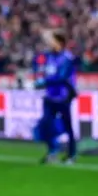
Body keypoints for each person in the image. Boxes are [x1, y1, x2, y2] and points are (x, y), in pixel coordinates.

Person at [34, 30, 78, 165]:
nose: (49, 43)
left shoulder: (67, 58)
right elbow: (43, 70)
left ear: (59, 42)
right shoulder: (48, 56)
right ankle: (52, 151)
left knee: (67, 126)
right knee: (46, 124)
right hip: (50, 96)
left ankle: (71, 155)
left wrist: (44, 82)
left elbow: (62, 77)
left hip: (64, 96)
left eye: (52, 41)